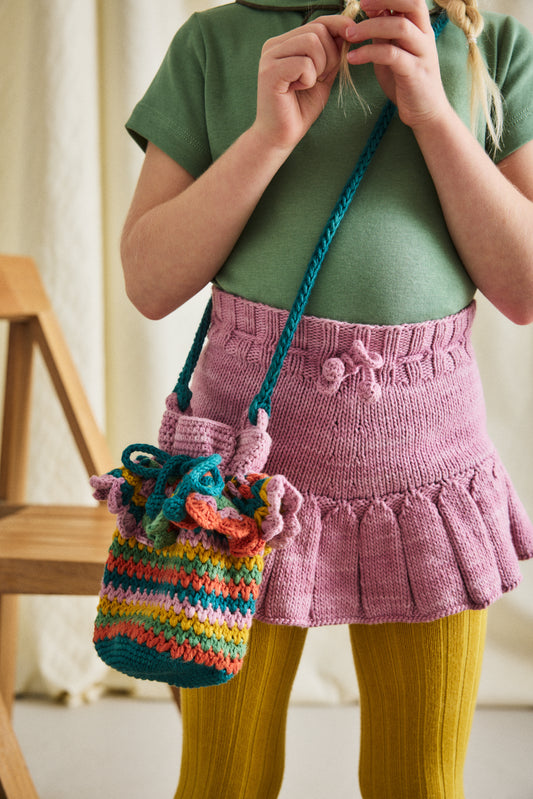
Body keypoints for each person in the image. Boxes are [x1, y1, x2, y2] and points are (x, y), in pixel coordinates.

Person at [120, 0, 533, 796]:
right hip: (239, 482)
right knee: (222, 778)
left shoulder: (493, 47)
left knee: (419, 781)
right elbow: (149, 280)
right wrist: (267, 137)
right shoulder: (213, 44)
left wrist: (434, 114)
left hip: (428, 473)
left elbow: (523, 288)